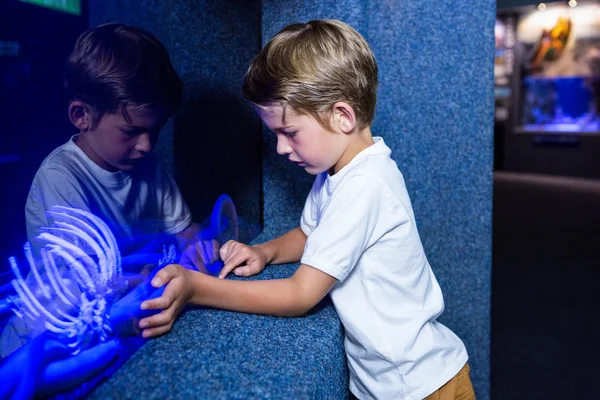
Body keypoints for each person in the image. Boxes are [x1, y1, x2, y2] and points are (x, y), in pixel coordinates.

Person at [138, 20, 475, 399]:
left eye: (290, 132)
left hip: (423, 387)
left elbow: (300, 294)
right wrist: (264, 251)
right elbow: (311, 233)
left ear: (342, 117)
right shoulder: (339, 170)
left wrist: (197, 287)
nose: (281, 149)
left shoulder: (366, 184)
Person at [0, 23, 218, 358]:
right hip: (50, 333)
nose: (146, 145)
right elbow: (81, 284)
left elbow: (184, 230)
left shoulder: (149, 166)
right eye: (131, 131)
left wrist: (198, 249)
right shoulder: (60, 176)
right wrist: (150, 278)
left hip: (122, 311)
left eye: (155, 130)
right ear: (81, 115)